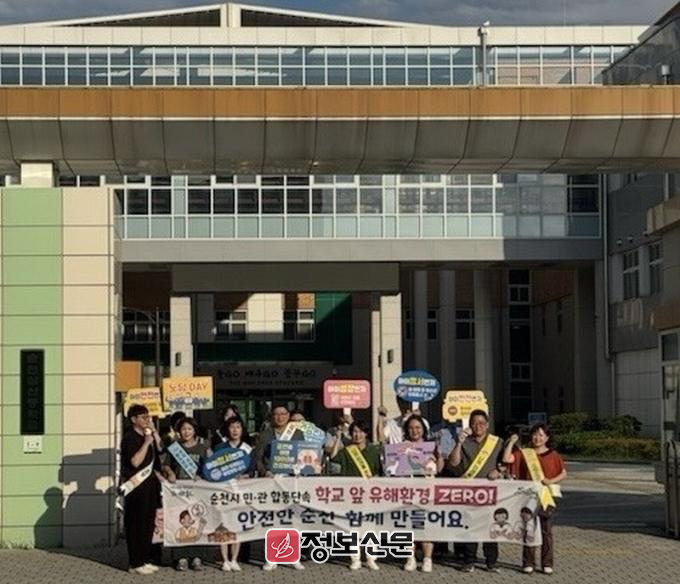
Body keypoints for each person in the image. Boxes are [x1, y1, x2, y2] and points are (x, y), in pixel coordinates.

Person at [502, 423, 567, 576]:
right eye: (535, 434)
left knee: (546, 530)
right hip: (528, 497)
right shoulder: (525, 453)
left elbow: (563, 473)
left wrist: (551, 481)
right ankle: (528, 562)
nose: (537, 438)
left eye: (541, 435)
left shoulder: (553, 454)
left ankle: (547, 563)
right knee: (528, 529)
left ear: (547, 438)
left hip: (545, 497)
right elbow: (506, 458)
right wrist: (511, 442)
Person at [447, 409, 503, 573]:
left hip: (490, 491)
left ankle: (491, 561)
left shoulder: (497, 442)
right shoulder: (464, 442)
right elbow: (454, 463)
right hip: (470, 491)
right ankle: (469, 560)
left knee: (490, 527)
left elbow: (506, 462)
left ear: (487, 424)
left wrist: (499, 471)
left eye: (481, 423)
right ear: (470, 425)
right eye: (474, 423)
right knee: (470, 527)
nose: (478, 426)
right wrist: (458, 443)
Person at [252, 404, 305, 571]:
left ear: (288, 416)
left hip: (292, 480)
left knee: (292, 519)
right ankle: (272, 557)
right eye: (276, 414)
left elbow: (305, 455)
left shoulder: (297, 434)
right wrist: (265, 471)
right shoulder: (265, 435)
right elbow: (258, 457)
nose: (280, 417)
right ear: (272, 417)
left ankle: (293, 556)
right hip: (272, 480)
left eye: (283, 414)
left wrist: (301, 469)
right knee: (274, 519)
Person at [329, 420, 381, 570]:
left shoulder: (373, 450)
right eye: (354, 432)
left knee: (370, 527)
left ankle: (371, 558)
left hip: (370, 495)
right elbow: (333, 458)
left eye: (360, 431)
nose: (357, 435)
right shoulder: (347, 451)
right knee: (353, 528)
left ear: (366, 433)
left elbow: (379, 470)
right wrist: (338, 438)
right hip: (351, 495)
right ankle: (355, 558)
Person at [119, 404, 163, 575]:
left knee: (148, 523)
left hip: (150, 486)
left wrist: (154, 432)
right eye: (143, 417)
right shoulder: (130, 438)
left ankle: (144, 559)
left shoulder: (149, 435)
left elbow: (161, 449)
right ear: (133, 419)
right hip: (136, 488)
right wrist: (146, 443)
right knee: (136, 524)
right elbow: (135, 462)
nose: (147, 419)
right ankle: (135, 562)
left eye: (148, 416)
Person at [161, 417, 210, 571]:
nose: (186, 432)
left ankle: (197, 557)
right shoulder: (175, 448)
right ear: (179, 431)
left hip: (197, 491)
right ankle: (180, 557)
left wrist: (202, 476)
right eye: (183, 429)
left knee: (197, 520)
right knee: (179, 521)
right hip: (179, 492)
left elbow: (210, 469)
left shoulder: (203, 448)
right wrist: (170, 472)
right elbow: (166, 465)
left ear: (194, 431)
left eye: (189, 429)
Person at [401, 414, 444, 573]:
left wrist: (439, 457)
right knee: (409, 526)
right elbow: (393, 468)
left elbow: (440, 469)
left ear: (423, 429)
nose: (415, 431)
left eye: (418, 427)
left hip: (428, 491)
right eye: (411, 428)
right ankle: (410, 558)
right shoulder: (402, 447)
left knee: (427, 527)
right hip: (408, 491)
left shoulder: (431, 446)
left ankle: (427, 559)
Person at [218, 416, 253, 572]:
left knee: (237, 525)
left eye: (238, 427)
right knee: (223, 525)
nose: (235, 430)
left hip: (241, 491)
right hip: (224, 491)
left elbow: (252, 470)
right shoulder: (220, 448)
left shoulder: (247, 449)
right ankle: (225, 560)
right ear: (227, 430)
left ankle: (234, 559)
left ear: (242, 430)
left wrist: (245, 476)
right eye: (232, 427)